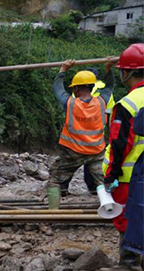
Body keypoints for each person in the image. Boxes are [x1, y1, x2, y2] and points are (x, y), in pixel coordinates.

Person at [45, 60, 114, 210]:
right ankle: (110, 209)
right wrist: (108, 69)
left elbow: (57, 88)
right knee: (103, 182)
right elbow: (110, 87)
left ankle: (52, 214)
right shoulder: (102, 102)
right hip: (96, 152)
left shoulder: (70, 103)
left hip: (73, 152)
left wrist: (63, 68)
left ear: (76, 89)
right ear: (92, 86)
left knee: (55, 179)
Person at [102, 44, 144, 271]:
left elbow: (120, 144)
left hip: (131, 175)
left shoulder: (128, 103)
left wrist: (112, 174)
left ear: (126, 72)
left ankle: (128, 264)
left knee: (128, 218)